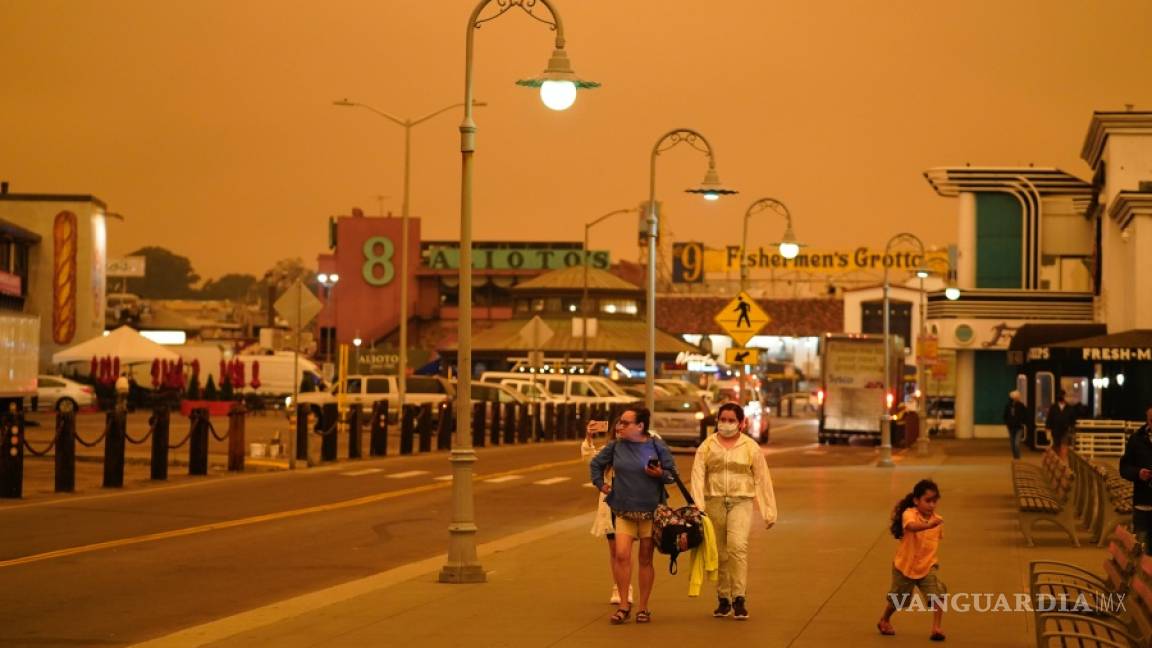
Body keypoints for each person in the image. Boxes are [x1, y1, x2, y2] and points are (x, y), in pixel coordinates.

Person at [589, 407, 678, 625]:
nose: (619, 426)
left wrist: (660, 474)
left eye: (625, 423)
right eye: (619, 422)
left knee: (645, 559)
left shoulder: (656, 445)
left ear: (640, 426)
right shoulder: (615, 446)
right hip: (623, 510)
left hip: (650, 512)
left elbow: (672, 475)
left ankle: (644, 608)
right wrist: (601, 485)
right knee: (621, 555)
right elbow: (595, 464)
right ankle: (623, 605)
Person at [690, 402, 777, 620]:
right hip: (714, 502)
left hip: (741, 501)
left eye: (731, 420)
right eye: (723, 419)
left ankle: (739, 598)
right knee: (720, 552)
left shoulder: (750, 447)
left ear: (741, 423)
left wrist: (769, 511)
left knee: (737, 547)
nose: (726, 424)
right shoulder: (707, 446)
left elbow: (762, 479)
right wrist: (698, 505)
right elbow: (697, 476)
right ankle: (723, 599)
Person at [877, 479, 946, 641]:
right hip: (904, 567)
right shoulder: (909, 514)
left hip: (927, 567)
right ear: (916, 500)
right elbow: (911, 527)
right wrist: (929, 525)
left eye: (934, 501)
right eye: (927, 501)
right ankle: (884, 619)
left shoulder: (938, 520)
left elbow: (935, 541)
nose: (931, 505)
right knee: (898, 599)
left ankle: (936, 627)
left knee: (938, 594)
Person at [581, 418, 631, 605]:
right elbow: (589, 459)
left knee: (624, 551)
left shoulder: (636, 450)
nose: (620, 431)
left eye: (625, 427)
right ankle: (618, 587)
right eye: (618, 428)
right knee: (615, 550)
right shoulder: (607, 451)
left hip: (630, 505)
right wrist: (589, 437)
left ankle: (625, 587)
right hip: (610, 505)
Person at [1119, 405, 1152, 550]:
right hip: (1143, 502)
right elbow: (1124, 468)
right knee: (1140, 547)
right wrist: (1138, 473)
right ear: (1147, 420)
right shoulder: (1136, 439)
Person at [1045, 390, 1076, 459]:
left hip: (1065, 430)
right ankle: (1058, 461)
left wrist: (1072, 429)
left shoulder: (1069, 408)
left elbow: (1072, 420)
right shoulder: (1053, 407)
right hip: (1055, 430)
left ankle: (1062, 462)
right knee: (1056, 447)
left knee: (1064, 446)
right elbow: (1049, 418)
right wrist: (1047, 429)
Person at [1002, 390, 1028, 460]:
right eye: (1017, 397)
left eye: (1018, 397)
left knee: (1016, 444)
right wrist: (1007, 423)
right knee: (1012, 444)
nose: (1018, 398)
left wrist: (1023, 422)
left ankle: (1018, 458)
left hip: (1019, 427)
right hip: (1011, 427)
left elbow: (1026, 415)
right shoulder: (1008, 406)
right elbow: (1005, 416)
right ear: (1013, 397)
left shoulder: (1021, 405)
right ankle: (1015, 457)